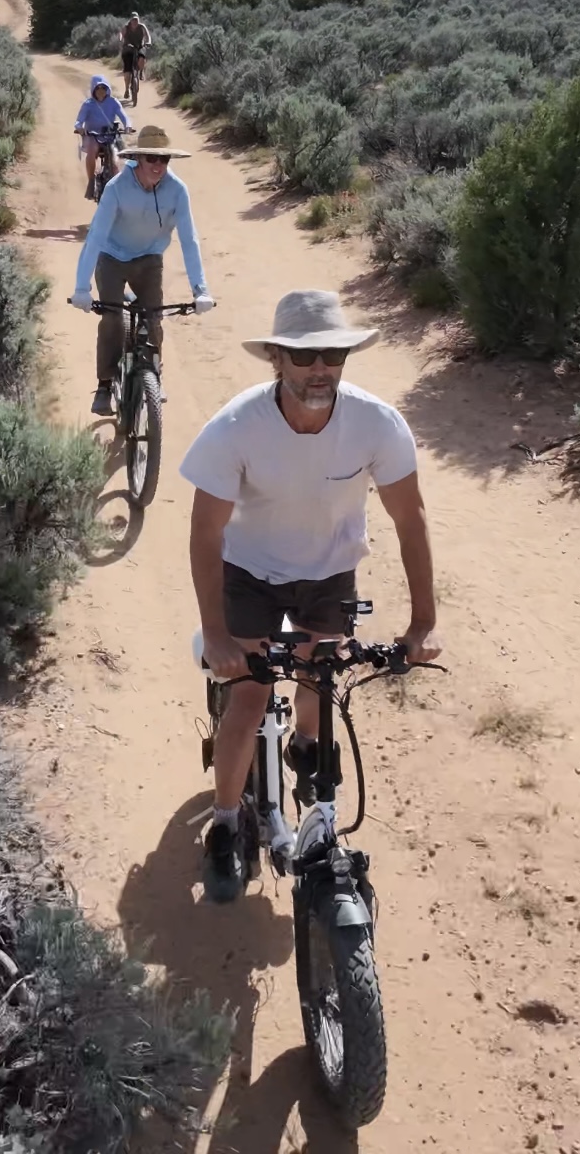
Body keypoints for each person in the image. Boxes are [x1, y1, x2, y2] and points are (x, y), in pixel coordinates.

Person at [177, 289, 443, 903]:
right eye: (304, 356)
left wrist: (423, 622)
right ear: (276, 358)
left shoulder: (375, 423)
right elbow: (205, 532)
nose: (320, 367)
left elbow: (411, 518)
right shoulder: (237, 428)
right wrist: (215, 634)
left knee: (319, 687)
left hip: (329, 575)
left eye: (333, 353)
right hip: (250, 572)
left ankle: (301, 749)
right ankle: (223, 827)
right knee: (248, 700)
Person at [70, 125, 215, 417]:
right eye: (151, 159)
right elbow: (96, 236)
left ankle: (154, 377)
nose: (158, 166)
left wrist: (201, 290)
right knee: (111, 319)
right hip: (111, 257)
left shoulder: (177, 191)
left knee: (154, 318)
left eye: (164, 160)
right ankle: (103, 385)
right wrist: (82, 288)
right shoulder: (116, 188)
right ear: (138, 158)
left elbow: (189, 240)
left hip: (149, 258)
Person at [73, 74, 132, 198]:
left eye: (103, 88)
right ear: (93, 89)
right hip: (93, 135)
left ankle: (116, 186)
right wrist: (80, 128)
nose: (101, 91)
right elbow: (79, 120)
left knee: (116, 159)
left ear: (107, 89)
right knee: (91, 151)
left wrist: (128, 125)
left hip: (109, 135)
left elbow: (124, 116)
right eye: (98, 88)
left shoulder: (113, 102)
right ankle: (91, 181)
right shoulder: (88, 104)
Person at [119, 11, 153, 103]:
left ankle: (141, 72)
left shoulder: (142, 26)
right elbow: (121, 34)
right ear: (130, 20)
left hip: (139, 47)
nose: (135, 21)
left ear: (138, 19)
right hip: (128, 48)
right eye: (133, 19)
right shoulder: (126, 27)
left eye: (136, 19)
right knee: (127, 72)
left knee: (142, 58)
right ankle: (127, 90)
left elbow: (147, 35)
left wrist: (148, 41)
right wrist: (121, 40)